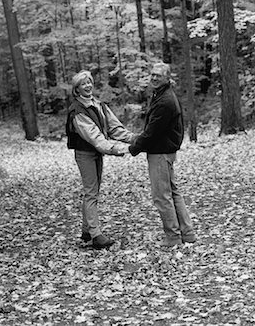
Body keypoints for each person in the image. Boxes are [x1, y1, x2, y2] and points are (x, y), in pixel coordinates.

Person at [129, 62, 196, 248]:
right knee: (173, 193)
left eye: (158, 75)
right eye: (152, 75)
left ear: (167, 77)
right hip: (164, 151)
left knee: (162, 196)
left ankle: (173, 236)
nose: (154, 78)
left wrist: (133, 148)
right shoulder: (160, 95)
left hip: (161, 152)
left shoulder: (165, 100)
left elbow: (152, 132)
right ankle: (187, 233)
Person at [66, 70, 133, 250]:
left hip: (97, 154)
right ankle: (96, 236)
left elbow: (115, 128)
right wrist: (124, 149)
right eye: (83, 84)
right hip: (85, 154)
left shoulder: (99, 105)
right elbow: (97, 139)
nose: (88, 86)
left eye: (89, 82)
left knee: (92, 192)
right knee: (91, 193)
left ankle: (86, 231)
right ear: (76, 89)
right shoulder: (77, 111)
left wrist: (136, 139)